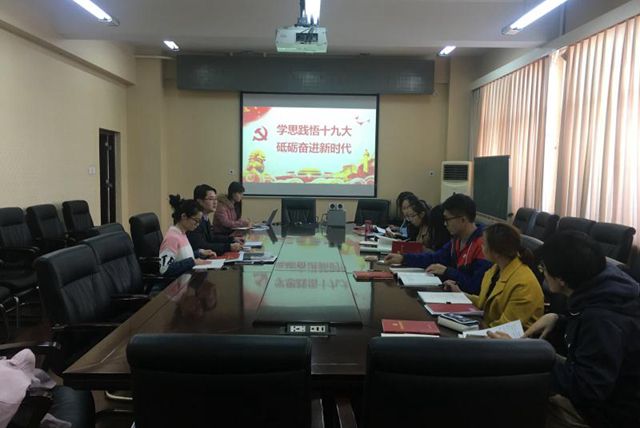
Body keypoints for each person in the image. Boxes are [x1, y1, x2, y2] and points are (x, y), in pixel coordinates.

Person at [489, 231, 640, 428]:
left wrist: (523, 356)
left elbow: (587, 388)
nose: (543, 274)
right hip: (603, 388)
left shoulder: (601, 319)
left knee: (513, 396)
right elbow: (593, 342)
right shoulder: (604, 284)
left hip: (610, 412)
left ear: (561, 279)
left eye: (543, 269)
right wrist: (559, 321)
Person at [384, 193, 491, 294]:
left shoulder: (483, 245)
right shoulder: (457, 239)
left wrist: (447, 271)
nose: (445, 224)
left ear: (463, 220)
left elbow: (476, 287)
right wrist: (403, 258)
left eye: (447, 219)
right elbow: (435, 258)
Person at [462, 222, 543, 329]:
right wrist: (460, 294)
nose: (481, 246)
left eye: (484, 244)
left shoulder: (523, 285)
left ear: (496, 253)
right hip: (490, 329)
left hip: (511, 337)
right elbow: (485, 302)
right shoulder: (496, 269)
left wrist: (473, 328)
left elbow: (506, 327)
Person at [159, 195, 216, 276]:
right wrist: (193, 262)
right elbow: (164, 269)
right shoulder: (172, 238)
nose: (198, 224)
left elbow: (181, 257)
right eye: (196, 220)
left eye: (199, 221)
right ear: (184, 216)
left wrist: (199, 253)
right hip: (179, 282)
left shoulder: (182, 233)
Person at [188, 184, 243, 254]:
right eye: (211, 199)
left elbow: (212, 238)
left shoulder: (205, 217)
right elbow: (202, 245)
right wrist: (228, 247)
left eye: (215, 199)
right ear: (200, 201)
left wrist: (232, 239)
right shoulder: (195, 221)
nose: (215, 202)